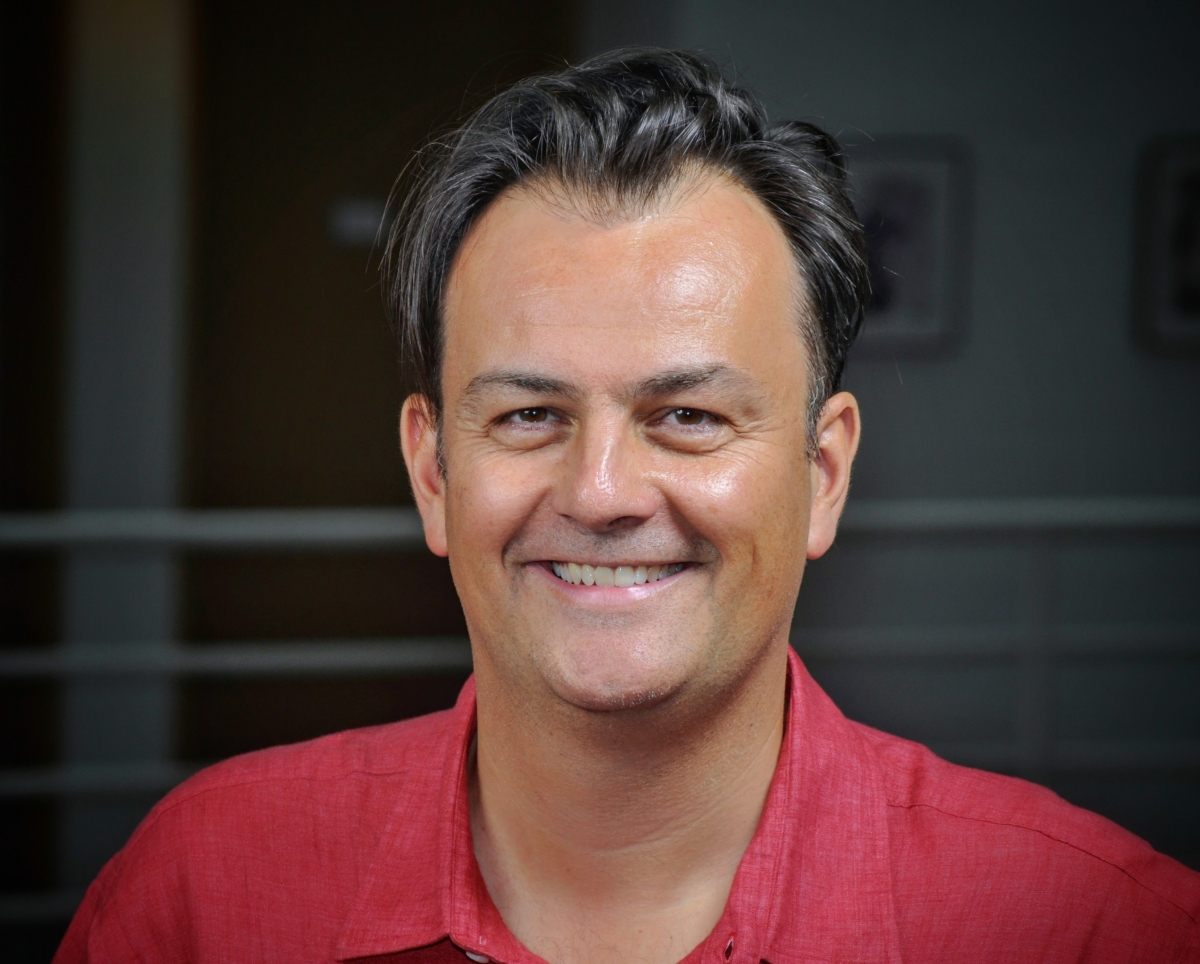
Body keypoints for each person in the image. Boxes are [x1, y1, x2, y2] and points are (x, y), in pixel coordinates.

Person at [56, 49, 1198, 964]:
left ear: (824, 473)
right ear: (432, 474)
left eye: (689, 417)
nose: (601, 493)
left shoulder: (1101, 931)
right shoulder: (202, 897)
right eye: (527, 416)